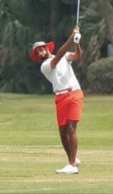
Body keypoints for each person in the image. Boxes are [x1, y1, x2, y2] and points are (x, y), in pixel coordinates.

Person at [29, 26, 84, 174]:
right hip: (60, 97)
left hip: (74, 93)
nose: (41, 52)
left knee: (71, 128)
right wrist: (71, 37)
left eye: (42, 49)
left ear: (47, 48)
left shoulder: (65, 57)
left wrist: (77, 42)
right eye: (38, 52)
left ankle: (72, 164)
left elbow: (77, 56)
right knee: (62, 133)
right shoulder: (45, 66)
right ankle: (72, 159)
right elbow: (59, 55)